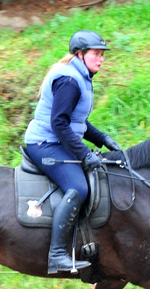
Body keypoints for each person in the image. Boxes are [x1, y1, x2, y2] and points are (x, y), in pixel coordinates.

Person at [24, 30, 122, 275]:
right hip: (44, 144)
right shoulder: (69, 80)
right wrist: (84, 154)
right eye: (96, 54)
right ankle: (57, 254)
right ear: (80, 54)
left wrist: (103, 140)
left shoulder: (81, 76)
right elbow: (59, 124)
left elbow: (77, 121)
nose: (101, 59)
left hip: (59, 140)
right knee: (78, 187)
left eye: (102, 55)